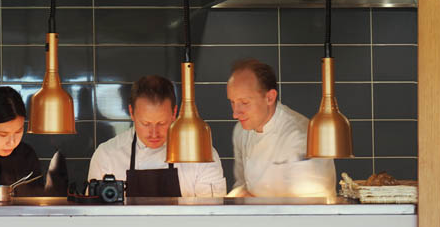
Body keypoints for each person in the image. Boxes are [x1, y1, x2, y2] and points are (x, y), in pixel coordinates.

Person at [88, 75, 226, 197]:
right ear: (131, 112)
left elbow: (212, 214)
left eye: (161, 123)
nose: (154, 133)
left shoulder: (201, 155)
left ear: (174, 113)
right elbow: (96, 216)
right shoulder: (107, 155)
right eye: (145, 123)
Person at [226, 59, 336, 197]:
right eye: (232, 102)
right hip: (259, 216)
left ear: (270, 98)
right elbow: (243, 186)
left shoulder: (300, 135)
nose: (235, 113)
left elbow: (312, 204)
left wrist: (252, 202)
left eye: (244, 102)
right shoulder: (241, 131)